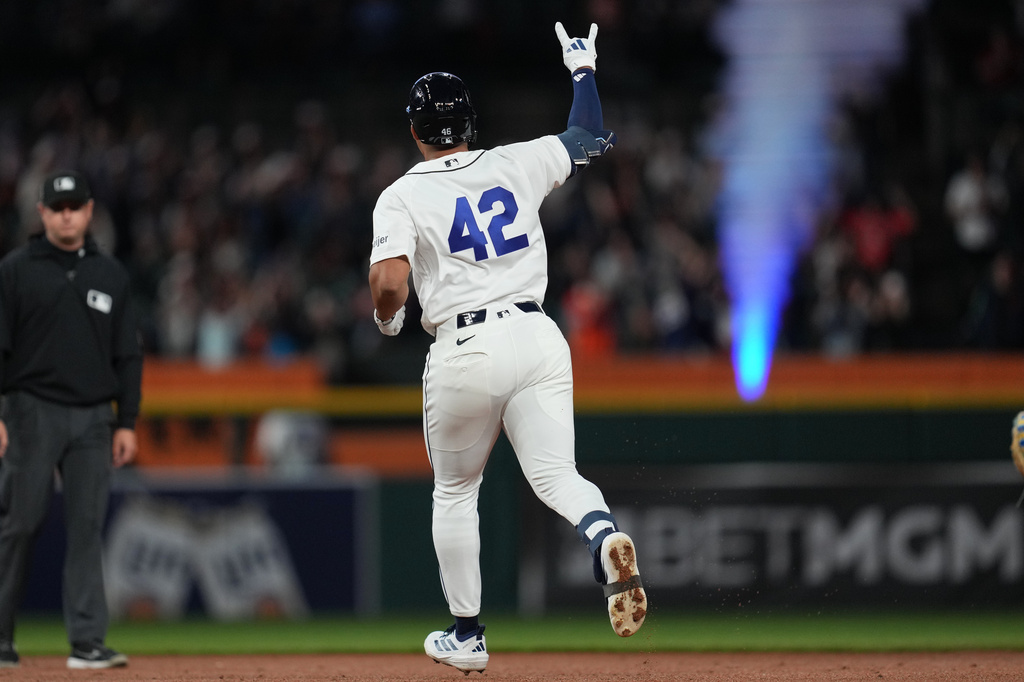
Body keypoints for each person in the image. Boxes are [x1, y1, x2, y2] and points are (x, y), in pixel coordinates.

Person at [369, 21, 647, 675]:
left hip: (465, 345)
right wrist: (582, 70)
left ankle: (467, 634)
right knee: (556, 476)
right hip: (538, 334)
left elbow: (389, 282)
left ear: (414, 130)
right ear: (470, 121)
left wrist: (388, 320)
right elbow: (589, 137)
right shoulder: (515, 161)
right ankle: (603, 534)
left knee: (456, 492)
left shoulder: (402, 193)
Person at [0, 170, 142, 670]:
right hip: (29, 410)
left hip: (93, 419)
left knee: (86, 526)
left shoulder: (110, 274)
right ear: (41, 213)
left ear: (88, 210)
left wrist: (126, 421)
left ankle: (87, 642)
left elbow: (129, 354)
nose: (65, 214)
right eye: (56, 207)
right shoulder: (14, 270)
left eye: (74, 206)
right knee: (19, 522)